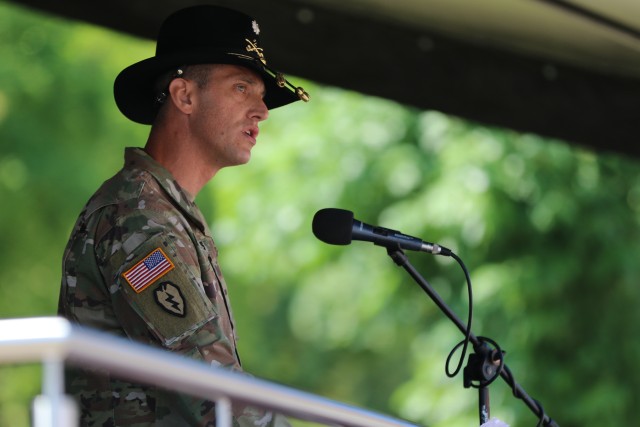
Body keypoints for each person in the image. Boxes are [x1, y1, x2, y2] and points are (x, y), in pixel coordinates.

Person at [58, 5, 308, 426]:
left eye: (263, 97)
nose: (262, 111)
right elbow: (208, 386)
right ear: (185, 96)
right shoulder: (136, 217)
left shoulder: (164, 211)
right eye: (243, 88)